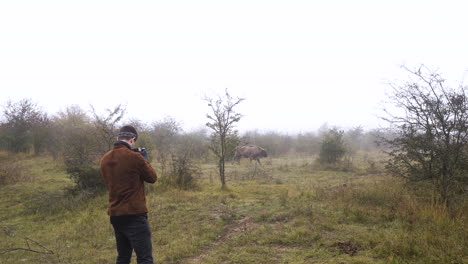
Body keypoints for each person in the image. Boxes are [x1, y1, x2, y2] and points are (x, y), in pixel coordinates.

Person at [100, 125, 157, 264]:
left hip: (115, 215)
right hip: (134, 214)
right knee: (145, 258)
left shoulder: (105, 159)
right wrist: (143, 158)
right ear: (132, 139)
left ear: (118, 138)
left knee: (123, 257)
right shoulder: (135, 157)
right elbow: (152, 178)